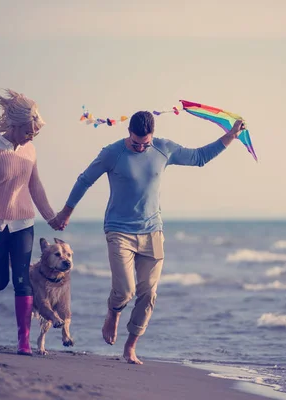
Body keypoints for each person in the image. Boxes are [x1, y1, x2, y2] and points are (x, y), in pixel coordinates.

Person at [51, 111, 244, 364]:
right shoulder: (113, 153)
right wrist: (66, 212)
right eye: (136, 143)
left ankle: (130, 346)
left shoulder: (164, 148)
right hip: (119, 230)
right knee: (125, 290)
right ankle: (113, 311)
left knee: (148, 293)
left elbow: (199, 158)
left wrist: (230, 136)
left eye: (146, 143)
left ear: (152, 136)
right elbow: (85, 180)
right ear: (128, 133)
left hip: (152, 231)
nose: (141, 147)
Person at [0, 89, 61, 356]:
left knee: (22, 281)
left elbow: (36, 186)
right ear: (15, 125)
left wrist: (51, 217)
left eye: (35, 132)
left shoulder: (30, 151)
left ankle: (24, 341)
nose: (31, 136)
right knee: (1, 280)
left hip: (23, 224)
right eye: (28, 131)